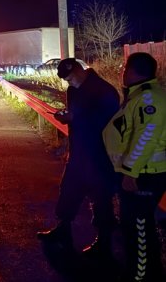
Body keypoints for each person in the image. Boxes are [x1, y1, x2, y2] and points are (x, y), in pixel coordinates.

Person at [36, 58, 120, 258]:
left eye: (71, 77)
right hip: (78, 152)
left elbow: (108, 121)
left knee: (101, 198)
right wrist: (66, 117)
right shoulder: (73, 91)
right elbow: (74, 117)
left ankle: (104, 243)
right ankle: (62, 232)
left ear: (80, 70)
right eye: (66, 80)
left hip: (101, 154)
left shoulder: (104, 90)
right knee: (68, 192)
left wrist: (75, 118)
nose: (69, 82)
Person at [101, 52, 166, 282]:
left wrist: (130, 173)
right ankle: (150, 279)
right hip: (140, 174)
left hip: (143, 177)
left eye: (124, 68)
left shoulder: (149, 98)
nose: (122, 72)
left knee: (138, 233)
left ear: (132, 70)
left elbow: (145, 138)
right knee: (138, 229)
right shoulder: (141, 94)